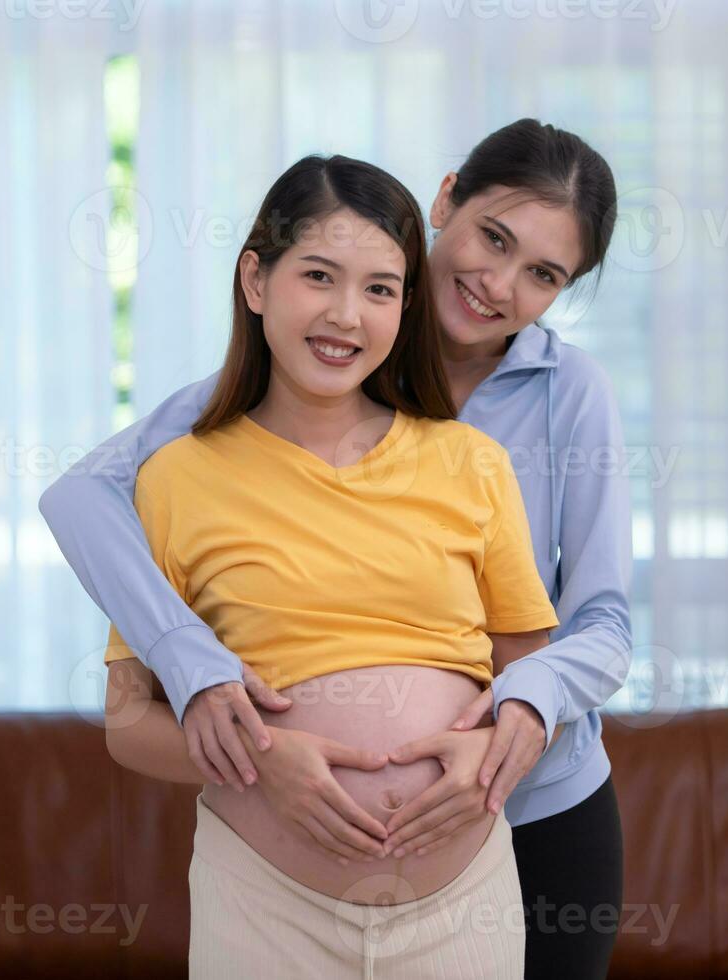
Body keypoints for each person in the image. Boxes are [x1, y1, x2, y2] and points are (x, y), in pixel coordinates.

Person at [45, 120, 632, 978]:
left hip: (533, 803)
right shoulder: (314, 361)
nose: (499, 284)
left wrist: (526, 707)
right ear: (446, 200)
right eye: (492, 238)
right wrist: (192, 659)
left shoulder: (558, 400)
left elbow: (603, 623)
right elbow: (84, 496)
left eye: (544, 274)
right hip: (289, 875)